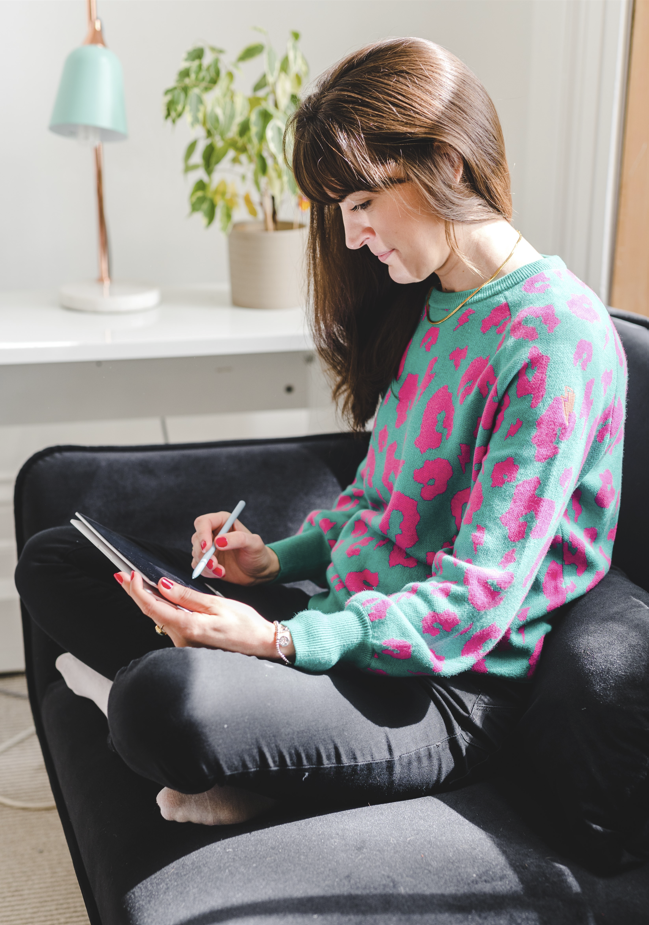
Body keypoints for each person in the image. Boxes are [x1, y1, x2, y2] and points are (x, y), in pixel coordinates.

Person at [15, 37, 626, 827]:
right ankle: (240, 744)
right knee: (56, 559)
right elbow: (374, 499)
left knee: (158, 702)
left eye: (361, 202)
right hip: (345, 618)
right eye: (340, 210)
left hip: (441, 686)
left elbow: (473, 602)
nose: (349, 236)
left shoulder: (553, 342)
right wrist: (273, 559)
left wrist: (275, 639)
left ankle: (198, 726)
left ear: (444, 161)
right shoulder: (435, 302)